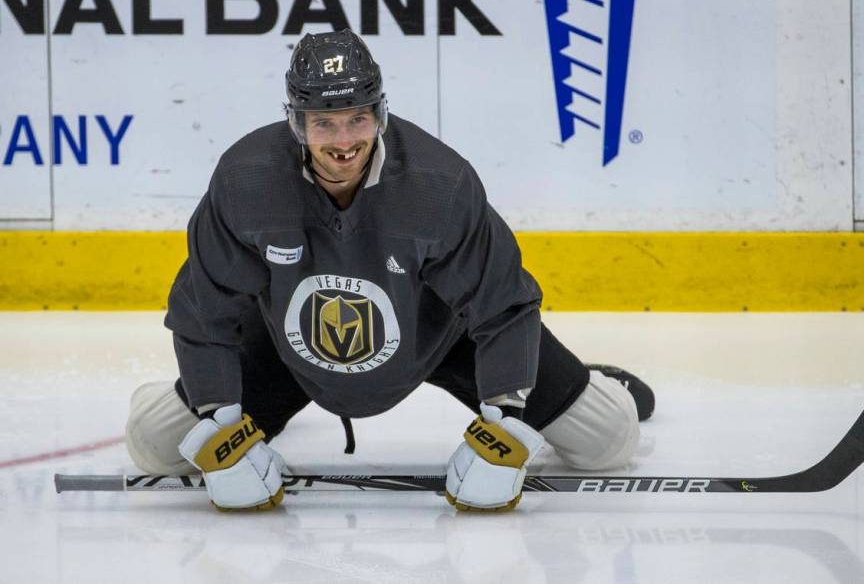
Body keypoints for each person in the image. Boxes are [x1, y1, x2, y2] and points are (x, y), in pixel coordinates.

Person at [125, 29, 654, 512]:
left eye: (358, 117)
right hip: (289, 348)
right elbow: (204, 309)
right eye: (323, 122)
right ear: (296, 121)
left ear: (380, 112)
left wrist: (505, 428)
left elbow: (503, 304)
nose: (344, 141)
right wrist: (222, 426)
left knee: (607, 441)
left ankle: (598, 385)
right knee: (153, 445)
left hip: (444, 337)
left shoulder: (439, 184)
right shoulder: (246, 181)